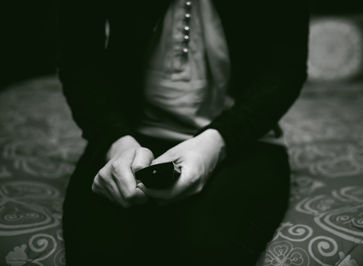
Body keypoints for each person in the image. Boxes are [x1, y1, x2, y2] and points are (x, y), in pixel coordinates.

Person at [58, 0, 309, 265]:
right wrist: (115, 141)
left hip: (244, 136)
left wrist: (214, 145)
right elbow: (79, 59)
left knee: (209, 251)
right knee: (100, 252)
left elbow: (284, 70)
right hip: (128, 132)